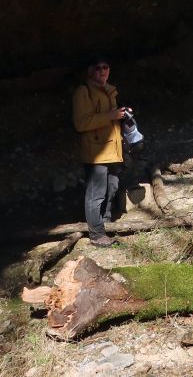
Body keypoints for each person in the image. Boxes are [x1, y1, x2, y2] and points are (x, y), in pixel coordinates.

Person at [72, 57, 129, 247]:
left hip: (113, 149)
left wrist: (122, 113)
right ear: (90, 71)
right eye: (98, 68)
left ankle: (105, 222)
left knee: (112, 186)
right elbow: (81, 123)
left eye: (106, 67)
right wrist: (110, 116)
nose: (103, 71)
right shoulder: (84, 92)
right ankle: (96, 234)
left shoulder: (109, 91)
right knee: (96, 193)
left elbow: (109, 119)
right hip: (96, 151)